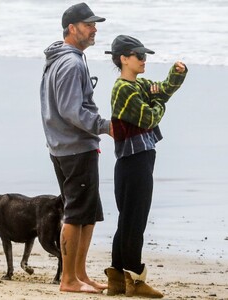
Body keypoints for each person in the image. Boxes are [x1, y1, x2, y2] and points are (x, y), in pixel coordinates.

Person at [104, 35, 188, 298]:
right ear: (123, 59)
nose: (144, 60)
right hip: (133, 162)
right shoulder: (123, 89)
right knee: (134, 222)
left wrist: (176, 75)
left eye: (144, 56)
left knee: (128, 220)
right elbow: (148, 117)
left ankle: (117, 279)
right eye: (139, 56)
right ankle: (135, 280)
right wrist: (158, 103)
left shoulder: (138, 85)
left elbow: (162, 89)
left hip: (136, 161)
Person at [40, 2, 112, 294]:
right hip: (73, 147)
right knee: (75, 212)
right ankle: (68, 280)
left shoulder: (66, 57)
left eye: (95, 24)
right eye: (89, 24)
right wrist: (105, 126)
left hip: (67, 145)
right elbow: (71, 110)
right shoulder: (70, 62)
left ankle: (79, 274)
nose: (95, 29)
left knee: (88, 212)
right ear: (72, 28)